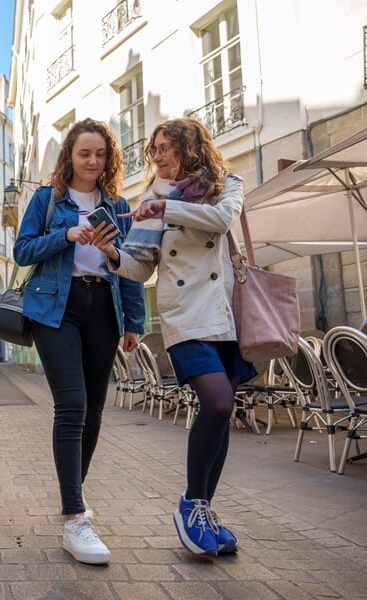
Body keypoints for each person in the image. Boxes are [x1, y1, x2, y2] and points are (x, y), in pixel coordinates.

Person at [93, 117, 257, 556]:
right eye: (154, 150)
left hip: (225, 313)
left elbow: (222, 221)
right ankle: (189, 504)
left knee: (223, 414)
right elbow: (140, 266)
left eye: (165, 148)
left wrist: (165, 209)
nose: (157, 157)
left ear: (190, 147)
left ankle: (204, 508)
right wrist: (111, 252)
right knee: (218, 402)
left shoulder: (227, 185)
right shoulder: (152, 197)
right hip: (186, 317)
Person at [13, 118, 146, 565]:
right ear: (69, 155)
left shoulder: (118, 204)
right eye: (84, 153)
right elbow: (22, 250)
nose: (93, 160)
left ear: (108, 158)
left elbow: (129, 266)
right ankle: (74, 516)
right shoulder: (47, 200)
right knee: (71, 405)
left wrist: (134, 322)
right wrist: (66, 234)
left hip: (103, 308)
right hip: (56, 308)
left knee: (94, 410)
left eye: (100, 154)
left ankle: (75, 495)